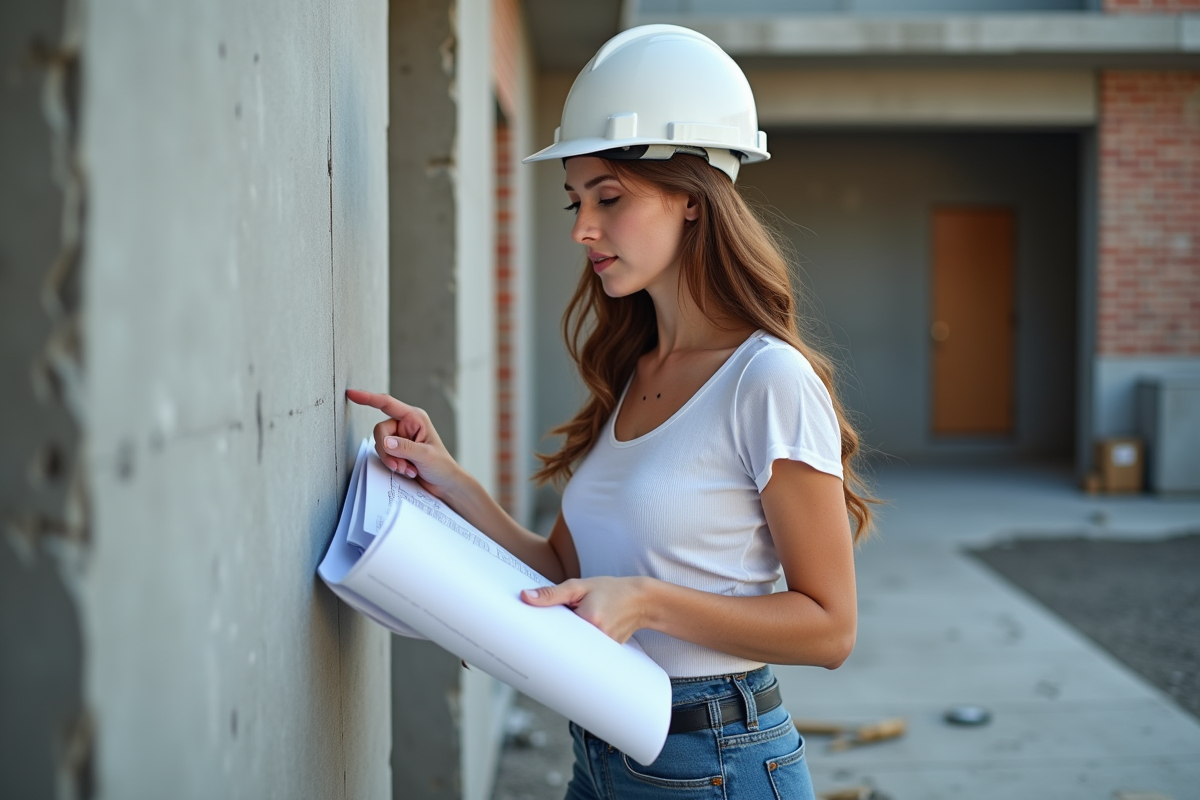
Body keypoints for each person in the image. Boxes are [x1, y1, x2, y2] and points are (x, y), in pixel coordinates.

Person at [347, 24, 875, 800]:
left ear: (691, 200)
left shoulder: (768, 381)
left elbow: (831, 628)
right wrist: (447, 478)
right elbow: (566, 569)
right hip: (602, 746)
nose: (581, 228)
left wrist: (647, 601)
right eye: (576, 200)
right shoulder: (633, 372)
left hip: (716, 757)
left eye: (609, 198)